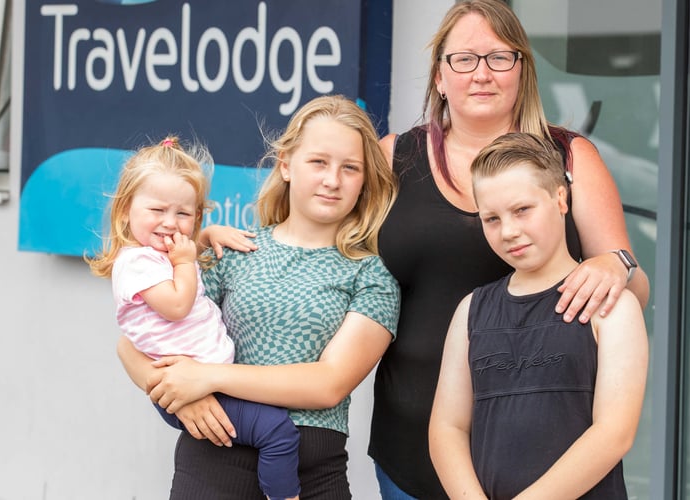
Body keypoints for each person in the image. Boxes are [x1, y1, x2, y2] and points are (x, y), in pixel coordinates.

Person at [369, 1, 650, 497]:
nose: (481, 74)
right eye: (464, 59)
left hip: (550, 451)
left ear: (522, 69)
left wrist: (616, 264)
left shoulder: (568, 158)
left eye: (500, 57)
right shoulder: (393, 156)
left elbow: (629, 285)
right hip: (415, 442)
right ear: (439, 75)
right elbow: (319, 248)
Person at [115, 95, 401, 499]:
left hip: (312, 475)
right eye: (318, 162)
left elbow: (329, 384)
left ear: (365, 179)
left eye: (350, 168)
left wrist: (208, 377)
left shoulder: (372, 274)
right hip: (214, 463)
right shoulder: (233, 250)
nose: (332, 179)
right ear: (286, 164)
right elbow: (133, 345)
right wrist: (178, 399)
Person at [429, 132, 649, 498]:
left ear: (560, 199)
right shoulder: (471, 311)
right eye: (492, 219)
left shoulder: (611, 308)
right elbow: (447, 427)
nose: (509, 231)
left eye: (522, 210)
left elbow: (614, 433)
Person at [86, 136, 302, 500]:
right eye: (157, 211)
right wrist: (187, 260)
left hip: (205, 381)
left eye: (184, 214)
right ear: (125, 210)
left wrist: (206, 235)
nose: (171, 224)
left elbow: (182, 250)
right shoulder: (136, 263)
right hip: (187, 389)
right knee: (278, 432)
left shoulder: (158, 253)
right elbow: (176, 305)